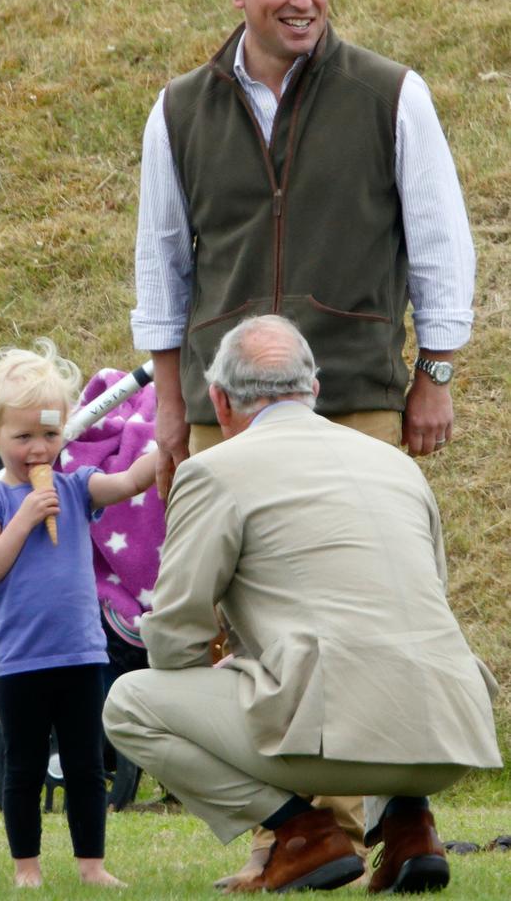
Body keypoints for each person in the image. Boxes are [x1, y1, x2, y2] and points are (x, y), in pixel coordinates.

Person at [103, 316, 501, 895]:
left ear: (218, 400)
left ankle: (303, 834)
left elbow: (175, 631)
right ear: (313, 389)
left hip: (335, 743)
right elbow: (427, 603)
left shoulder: (212, 471)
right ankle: (411, 825)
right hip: (450, 736)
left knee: (129, 703)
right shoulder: (399, 468)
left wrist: (225, 684)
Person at [131, 0, 476, 500]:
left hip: (350, 402)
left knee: (354, 586)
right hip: (225, 409)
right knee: (229, 593)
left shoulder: (392, 95)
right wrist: (170, 405)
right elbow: (162, 267)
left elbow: (441, 245)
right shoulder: (177, 111)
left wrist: (434, 374)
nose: (305, 0)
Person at [0, 339, 156, 889]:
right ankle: (27, 867)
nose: (37, 449)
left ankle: (91, 864)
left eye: (50, 435)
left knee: (87, 764)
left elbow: (127, 483)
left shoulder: (75, 487)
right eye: (23, 437)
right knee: (23, 767)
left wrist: (161, 454)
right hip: (21, 659)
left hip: (80, 653)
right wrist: (23, 519)